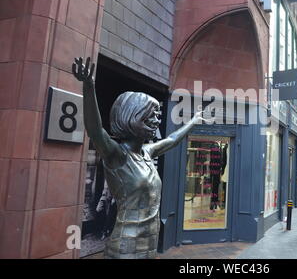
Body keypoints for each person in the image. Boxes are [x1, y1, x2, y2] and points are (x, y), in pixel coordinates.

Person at [72, 57, 210, 259]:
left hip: (150, 242)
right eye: (150, 116)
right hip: (126, 245)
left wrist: (194, 121)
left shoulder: (147, 152)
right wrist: (89, 87)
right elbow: (95, 130)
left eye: (156, 115)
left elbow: (172, 139)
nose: (156, 121)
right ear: (133, 117)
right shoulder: (117, 155)